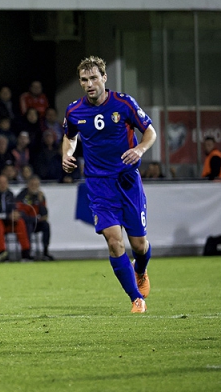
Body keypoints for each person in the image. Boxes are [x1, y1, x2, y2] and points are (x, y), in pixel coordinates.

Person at [62, 55, 154, 314]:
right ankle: (136, 299)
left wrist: (140, 149)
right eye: (84, 80)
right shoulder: (74, 110)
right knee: (115, 242)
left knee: (139, 246)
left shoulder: (124, 104)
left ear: (104, 78)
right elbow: (69, 137)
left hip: (127, 181)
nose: (89, 84)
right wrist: (66, 154)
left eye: (93, 78)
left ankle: (141, 269)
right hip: (99, 184)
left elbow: (150, 131)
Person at [16, 175, 53, 260]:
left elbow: (44, 214)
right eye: (32, 184)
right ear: (28, 185)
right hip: (27, 222)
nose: (34, 187)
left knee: (46, 225)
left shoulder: (40, 196)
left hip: (37, 222)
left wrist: (40, 201)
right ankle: (27, 252)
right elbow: (21, 214)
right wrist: (35, 219)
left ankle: (45, 252)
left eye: (36, 185)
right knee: (27, 226)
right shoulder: (21, 196)